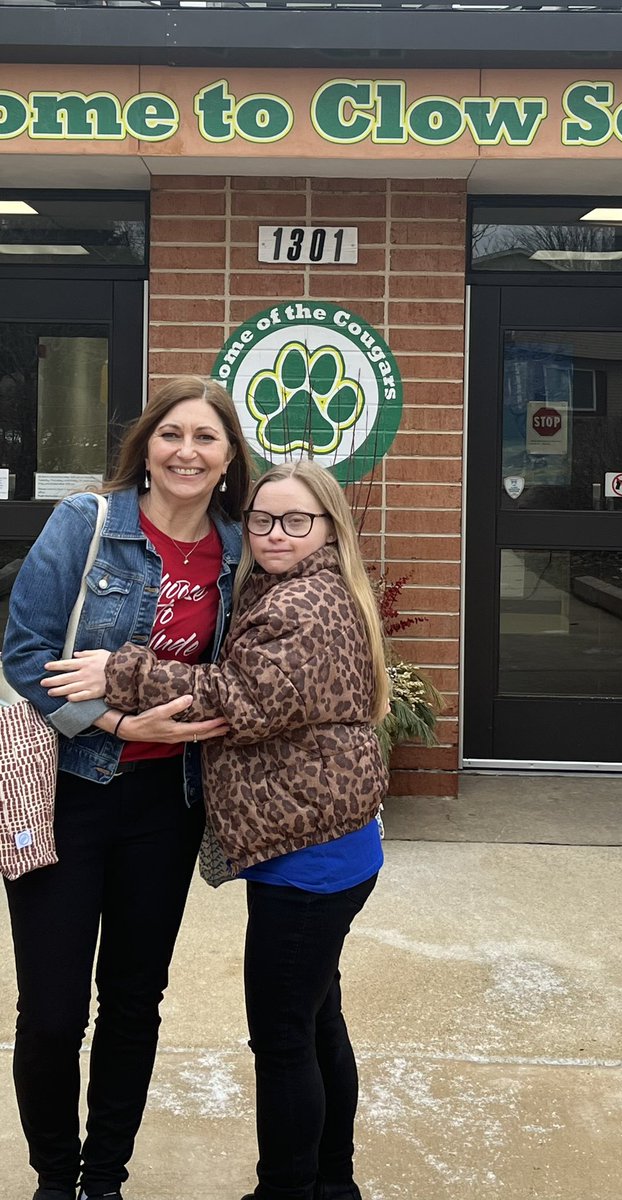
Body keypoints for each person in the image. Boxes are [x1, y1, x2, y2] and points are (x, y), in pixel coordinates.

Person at [43, 459, 392, 1200]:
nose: (275, 533)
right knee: (316, 1018)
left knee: (284, 1036)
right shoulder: (290, 587)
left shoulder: (306, 604)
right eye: (263, 519)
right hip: (322, 839)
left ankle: (289, 1189)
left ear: (328, 528)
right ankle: (334, 1182)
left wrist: (120, 670)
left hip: (309, 854)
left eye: (297, 521)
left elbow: (237, 698)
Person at [2, 375, 254, 1200]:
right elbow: (24, 651)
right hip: (70, 793)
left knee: (134, 1000)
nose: (187, 451)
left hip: (168, 806)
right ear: (145, 445)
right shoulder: (88, 522)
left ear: (227, 460)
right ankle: (54, 1178)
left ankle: (105, 1175)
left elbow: (244, 672)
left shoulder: (238, 550)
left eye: (205, 439)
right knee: (50, 1014)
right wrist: (115, 725)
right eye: (171, 434)